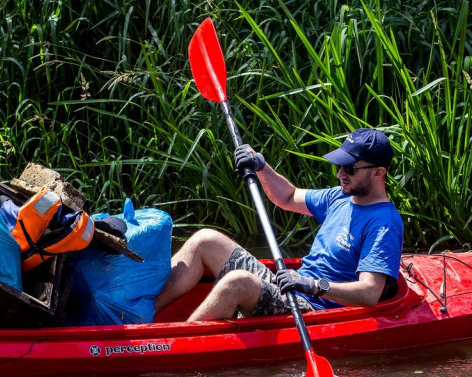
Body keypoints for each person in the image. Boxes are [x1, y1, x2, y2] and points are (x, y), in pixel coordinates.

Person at [154, 128, 404, 321]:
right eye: (339, 165)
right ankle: (141, 315)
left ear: (378, 173)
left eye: (349, 168)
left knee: (238, 281)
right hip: (291, 288)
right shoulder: (339, 195)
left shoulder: (384, 223)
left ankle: (176, 343)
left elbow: (370, 293)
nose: (340, 174)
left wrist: (314, 286)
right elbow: (287, 196)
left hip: (312, 308)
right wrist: (260, 166)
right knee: (205, 239)